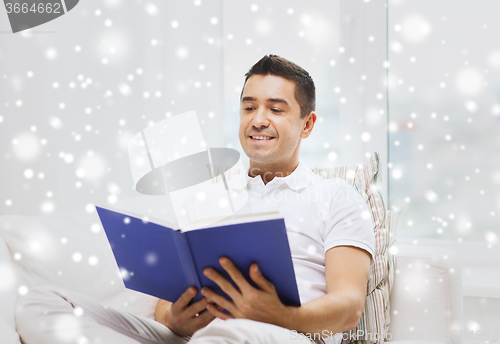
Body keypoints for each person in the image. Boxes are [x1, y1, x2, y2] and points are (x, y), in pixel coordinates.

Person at [15, 55, 375, 344]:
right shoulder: (210, 194)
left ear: (307, 125)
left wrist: (280, 315)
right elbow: (165, 304)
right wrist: (175, 318)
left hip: (282, 333)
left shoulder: (336, 198)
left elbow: (348, 307)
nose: (258, 120)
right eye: (249, 108)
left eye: (276, 109)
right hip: (193, 336)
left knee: (233, 333)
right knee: (42, 302)